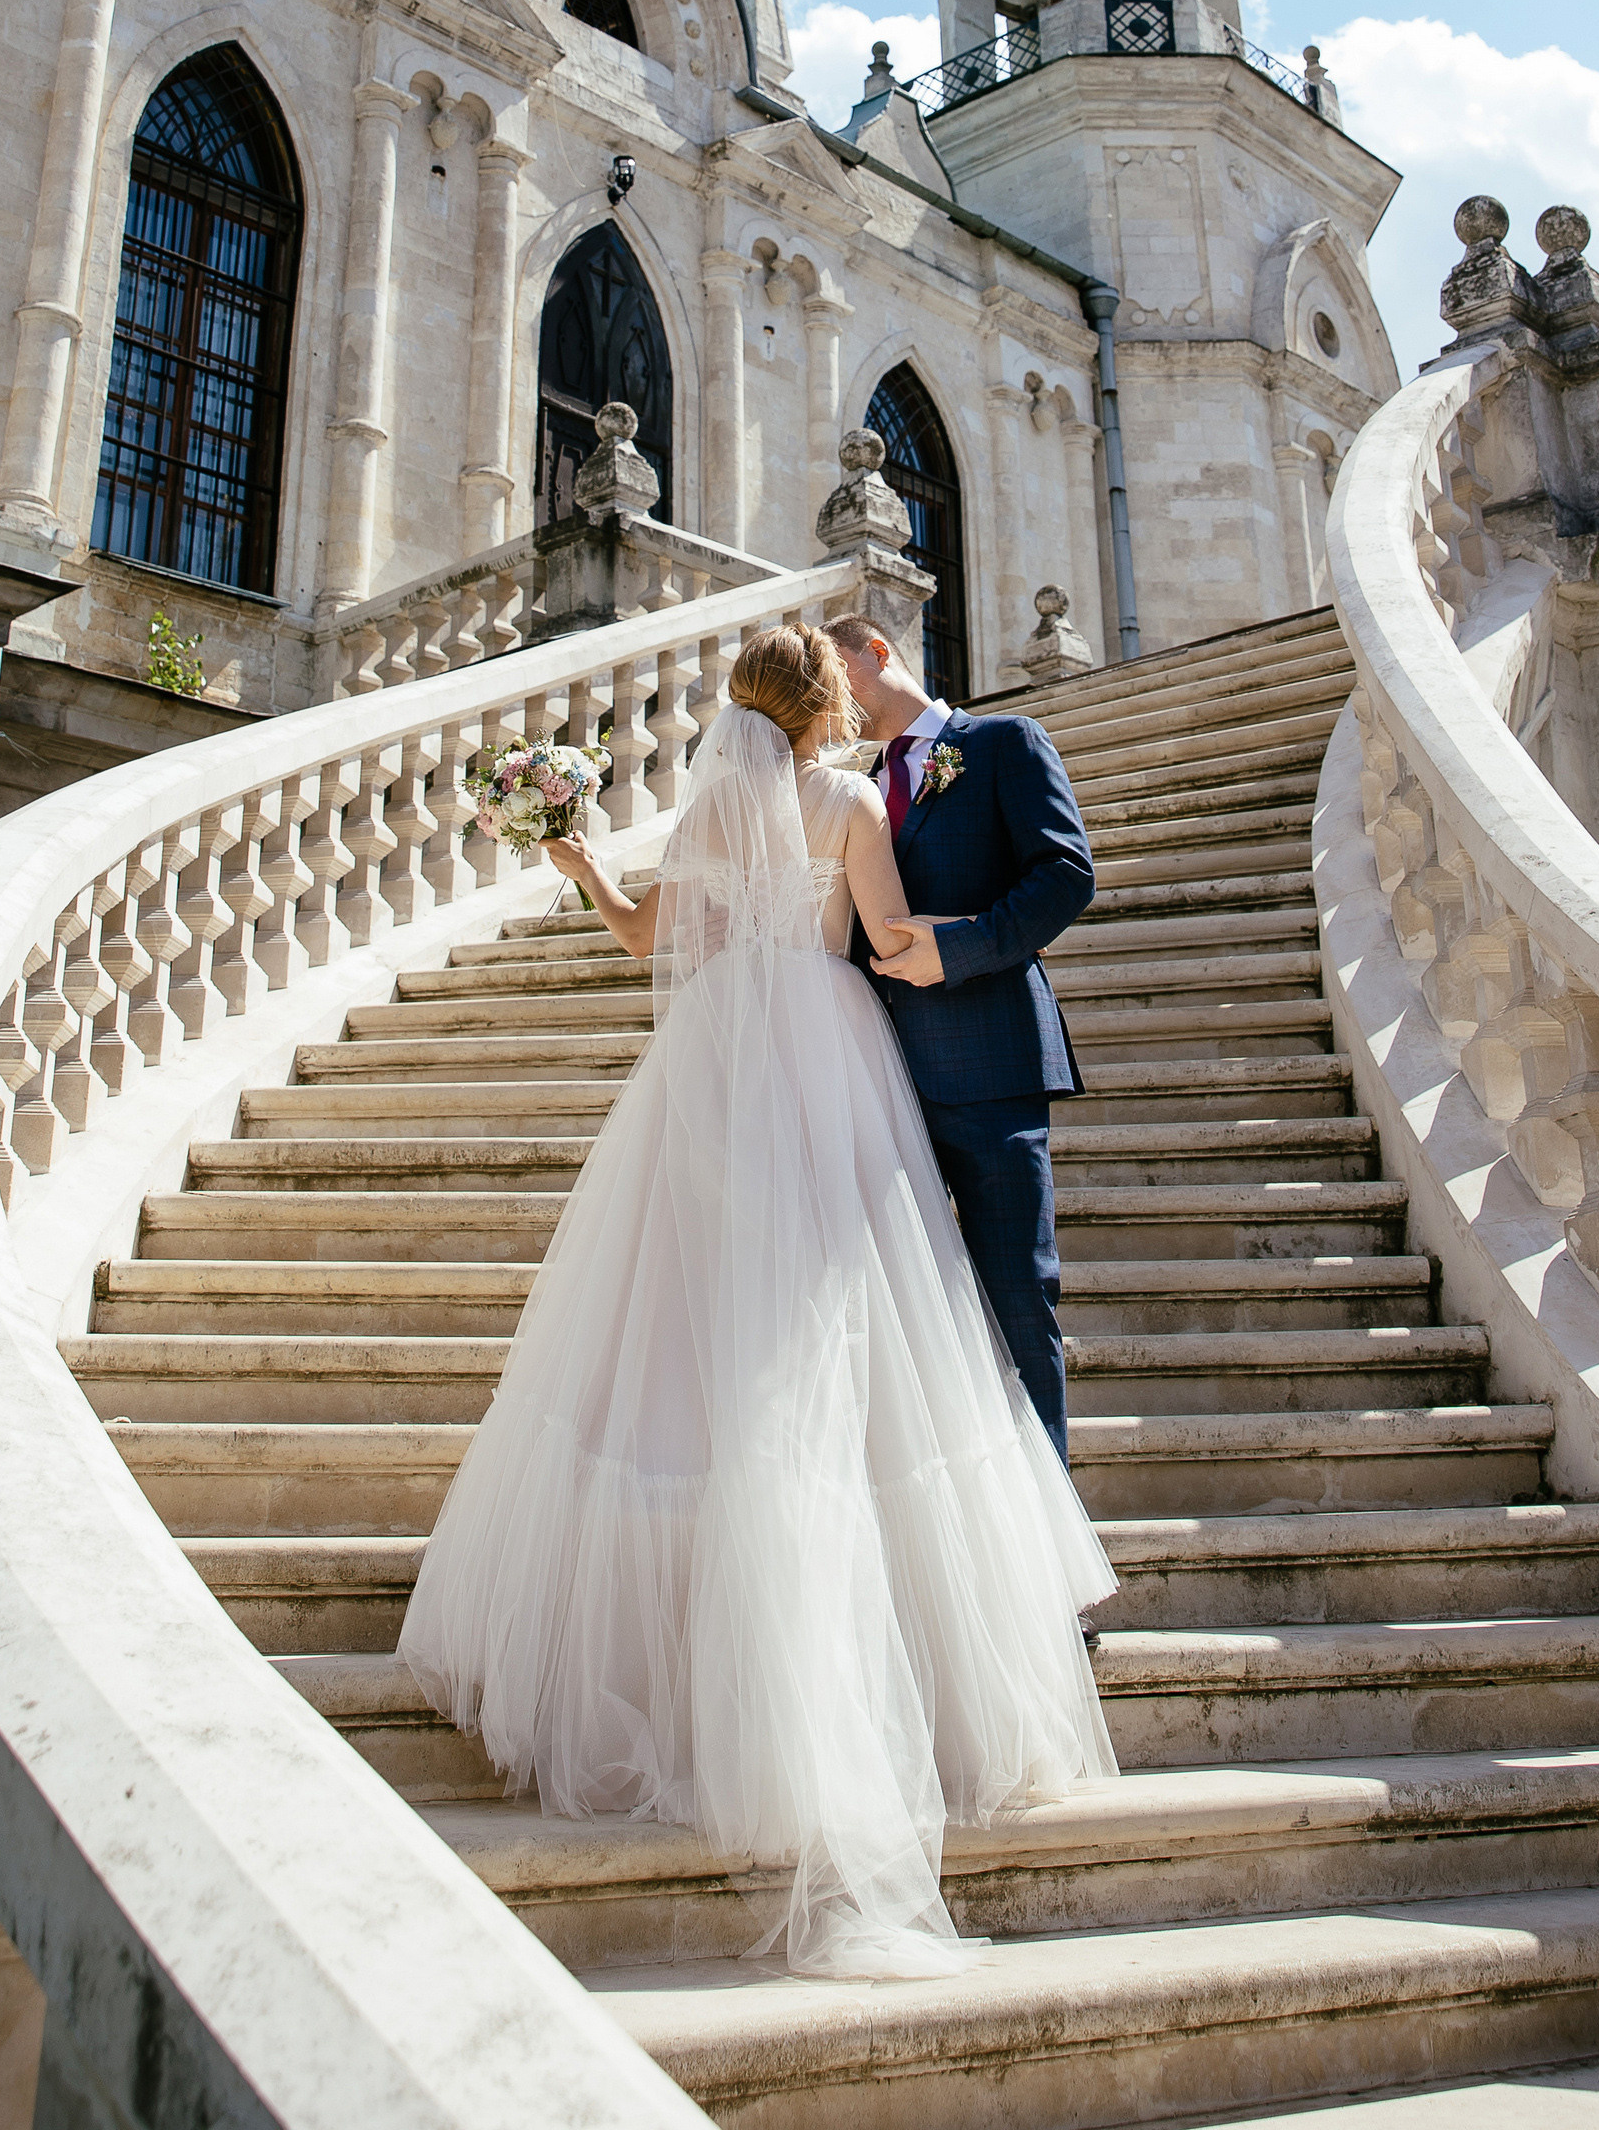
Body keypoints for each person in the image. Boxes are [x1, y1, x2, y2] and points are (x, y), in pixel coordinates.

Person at [395, 623, 1115, 1979]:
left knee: (692, 1329)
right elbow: (891, 936)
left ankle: (701, 1657)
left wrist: (573, 860)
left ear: (735, 716)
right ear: (826, 705)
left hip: (715, 1066)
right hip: (832, 1055)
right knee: (844, 1319)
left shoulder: (705, 814)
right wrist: (908, 950)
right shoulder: (846, 801)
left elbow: (636, 940)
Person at [824, 612, 1094, 1467]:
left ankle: (1046, 1543)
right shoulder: (854, 788)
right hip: (885, 1074)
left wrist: (960, 944)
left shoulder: (1005, 743)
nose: (838, 703)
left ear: (880, 652)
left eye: (845, 678)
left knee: (1018, 1296)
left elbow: (1065, 874)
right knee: (894, 1313)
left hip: (990, 1067)